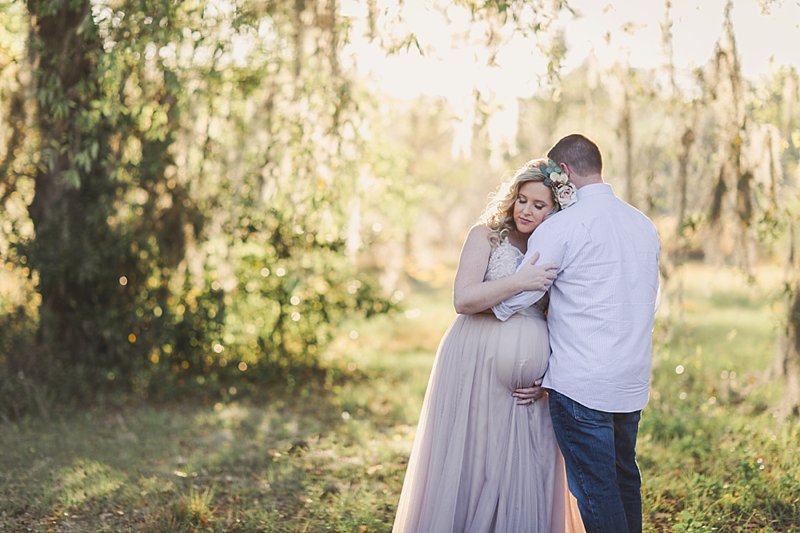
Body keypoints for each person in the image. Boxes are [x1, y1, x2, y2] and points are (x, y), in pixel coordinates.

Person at [393, 159, 584, 533]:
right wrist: (521, 281)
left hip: (528, 387)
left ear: (555, 209)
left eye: (539, 205)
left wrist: (550, 379)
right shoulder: (486, 236)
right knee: (476, 458)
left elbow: (564, 319)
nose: (527, 210)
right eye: (522, 200)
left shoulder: (557, 247)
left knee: (524, 465)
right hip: (472, 360)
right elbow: (464, 300)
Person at [494, 134, 661, 533]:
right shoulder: (644, 225)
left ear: (564, 172)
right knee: (625, 480)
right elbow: (651, 301)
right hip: (631, 380)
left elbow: (515, 298)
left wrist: (495, 297)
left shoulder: (563, 227)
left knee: (597, 490)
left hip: (581, 384)